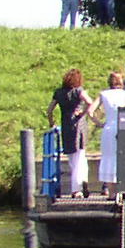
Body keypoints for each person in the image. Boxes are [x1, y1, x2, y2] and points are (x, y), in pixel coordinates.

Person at [48, 67, 96, 196]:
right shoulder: (78, 91)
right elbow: (90, 102)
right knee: (81, 155)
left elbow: (49, 110)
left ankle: (80, 185)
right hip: (79, 125)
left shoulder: (59, 93)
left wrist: (52, 122)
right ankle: (78, 186)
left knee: (73, 157)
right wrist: (83, 112)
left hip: (66, 125)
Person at [93, 69, 125, 193]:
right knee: (124, 156)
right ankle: (124, 189)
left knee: (109, 157)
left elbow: (91, 111)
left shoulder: (104, 94)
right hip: (124, 127)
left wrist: (99, 123)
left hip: (109, 127)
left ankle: (111, 191)